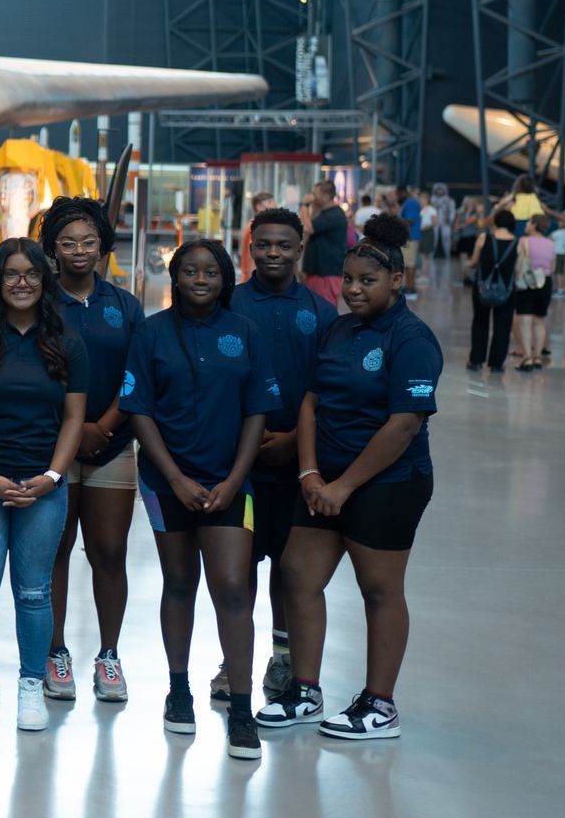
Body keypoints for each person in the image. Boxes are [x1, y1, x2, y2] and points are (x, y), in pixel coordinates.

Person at [259, 214, 439, 740]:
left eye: (369, 281)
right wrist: (311, 471)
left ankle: (379, 704)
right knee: (297, 574)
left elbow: (403, 425)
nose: (355, 290)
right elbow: (312, 402)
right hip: (325, 478)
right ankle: (305, 690)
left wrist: (343, 486)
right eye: (350, 280)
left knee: (378, 589)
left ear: (397, 282)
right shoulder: (339, 329)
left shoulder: (412, 339)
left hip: (388, 483)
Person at [121, 238, 278, 759]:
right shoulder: (150, 332)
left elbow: (258, 410)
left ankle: (240, 707)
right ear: (176, 276)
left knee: (233, 587)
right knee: (180, 582)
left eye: (211, 271)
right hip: (167, 482)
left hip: (230, 482)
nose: (201, 279)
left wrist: (235, 479)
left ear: (226, 277)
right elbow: (139, 410)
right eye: (190, 270)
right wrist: (176, 478)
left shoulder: (245, 333)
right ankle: (179, 690)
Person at [0, 237, 88, 734]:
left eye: (31, 275)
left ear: (45, 281)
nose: (22, 283)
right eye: (11, 274)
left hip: (42, 485)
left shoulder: (66, 340)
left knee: (33, 592)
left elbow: (74, 417)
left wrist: (51, 477)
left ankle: (31, 686)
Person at [225, 208, 333, 707]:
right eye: (264, 244)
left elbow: (327, 389)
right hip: (236, 466)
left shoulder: (320, 312)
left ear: (300, 249)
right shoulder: (227, 302)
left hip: (295, 465)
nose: (273, 253)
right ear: (250, 246)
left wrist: (295, 441)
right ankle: (235, 658)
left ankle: (284, 655)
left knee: (290, 570)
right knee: (238, 566)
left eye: (284, 245)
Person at [39, 195, 144, 704]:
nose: (79, 251)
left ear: (103, 247)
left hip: (112, 443)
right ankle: (54, 651)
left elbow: (138, 373)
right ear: (52, 249)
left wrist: (103, 424)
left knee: (109, 552)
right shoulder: (39, 303)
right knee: (54, 550)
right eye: (67, 243)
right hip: (53, 448)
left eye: (88, 242)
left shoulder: (124, 305)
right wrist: (71, 428)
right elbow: (31, 374)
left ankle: (108, 654)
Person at [465, 209, 518, 373]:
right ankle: (496, 363)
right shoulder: (518, 243)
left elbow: (474, 262)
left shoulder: (483, 238)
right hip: (507, 290)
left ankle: (476, 360)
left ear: (495, 222)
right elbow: (519, 268)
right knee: (503, 325)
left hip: (483, 287)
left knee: (480, 321)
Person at [511, 215, 556, 371]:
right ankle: (538, 357)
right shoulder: (551, 243)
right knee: (539, 321)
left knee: (525, 321)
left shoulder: (524, 241)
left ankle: (527, 358)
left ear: (534, 225)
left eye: (529, 222)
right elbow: (553, 267)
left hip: (527, 283)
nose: (526, 224)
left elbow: (518, 265)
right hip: (545, 282)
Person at [299, 181, 349, 309]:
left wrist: (304, 205)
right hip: (318, 272)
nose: (312, 197)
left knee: (325, 309)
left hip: (326, 272)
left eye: (315, 194)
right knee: (314, 308)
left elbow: (308, 228)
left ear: (326, 196)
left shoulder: (334, 215)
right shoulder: (326, 213)